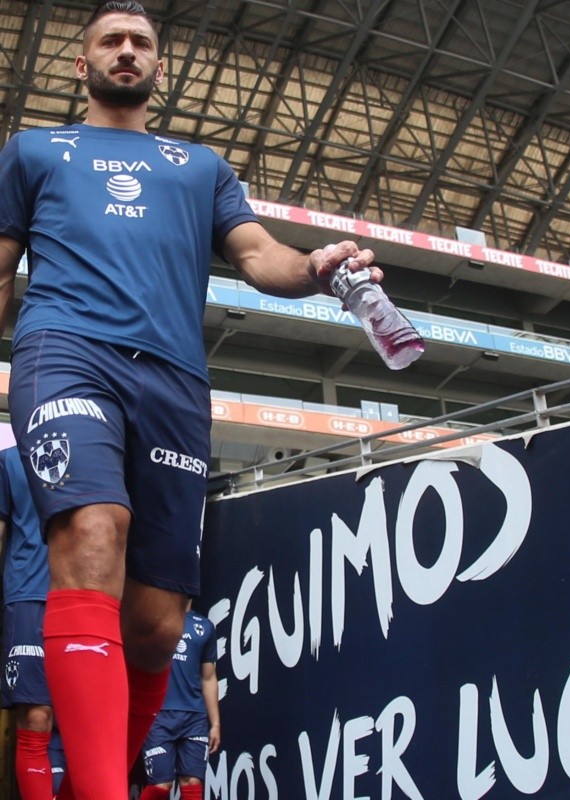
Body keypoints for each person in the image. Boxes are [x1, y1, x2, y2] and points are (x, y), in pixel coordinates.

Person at [0, 3, 380, 799]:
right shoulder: (34, 151)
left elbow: (257, 255)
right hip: (66, 353)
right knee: (92, 534)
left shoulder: (200, 166)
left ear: (159, 67)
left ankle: (99, 781)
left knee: (155, 626)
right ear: (83, 64)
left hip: (175, 381)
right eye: (111, 41)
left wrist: (316, 267)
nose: (127, 52)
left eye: (141, 43)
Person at [0, 445, 61, 800]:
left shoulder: (92, 447)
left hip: (87, 596)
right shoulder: (9, 460)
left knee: (84, 720)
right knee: (36, 717)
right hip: (29, 596)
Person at [140, 606, 219, 800]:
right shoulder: (152, 619)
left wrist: (215, 723)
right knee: (160, 786)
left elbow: (208, 678)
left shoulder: (205, 626)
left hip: (194, 717)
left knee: (192, 783)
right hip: (159, 716)